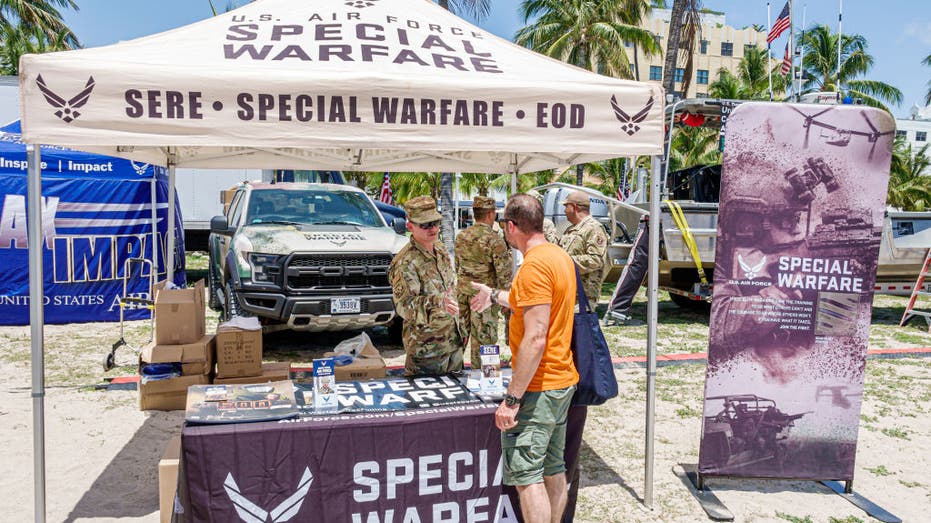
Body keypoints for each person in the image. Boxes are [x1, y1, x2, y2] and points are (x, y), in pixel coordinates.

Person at [470, 193, 579, 523]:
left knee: (527, 477)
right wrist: (494, 296)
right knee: (553, 467)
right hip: (561, 382)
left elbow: (534, 338)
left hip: (539, 387)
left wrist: (513, 398)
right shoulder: (558, 257)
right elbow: (526, 302)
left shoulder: (533, 267)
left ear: (511, 226)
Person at [388, 195, 464, 376]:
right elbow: (404, 307)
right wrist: (438, 302)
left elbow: (450, 287)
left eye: (436, 222)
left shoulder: (440, 248)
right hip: (427, 351)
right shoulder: (406, 262)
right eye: (426, 225)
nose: (434, 229)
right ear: (410, 226)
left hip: (453, 343)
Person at [454, 196, 513, 366]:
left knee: (459, 336)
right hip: (484, 297)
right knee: (485, 339)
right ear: (490, 214)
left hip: (463, 293)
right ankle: (488, 381)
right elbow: (504, 273)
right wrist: (504, 299)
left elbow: (458, 265)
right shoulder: (494, 239)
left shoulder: (461, 236)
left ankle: (453, 373)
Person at [559, 190, 608, 311]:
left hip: (582, 298)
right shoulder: (571, 229)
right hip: (568, 295)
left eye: (566, 206)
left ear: (575, 207)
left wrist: (564, 261)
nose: (564, 211)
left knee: (580, 330)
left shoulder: (594, 228)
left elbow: (596, 260)